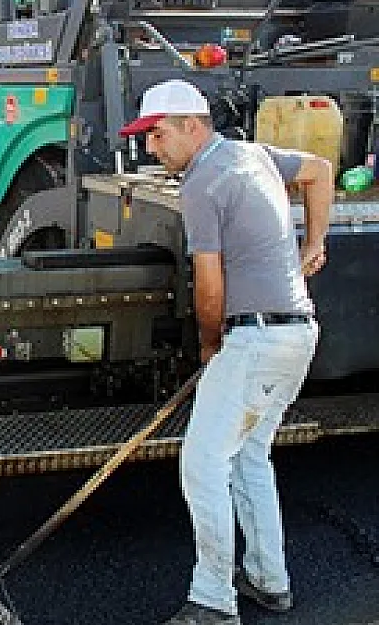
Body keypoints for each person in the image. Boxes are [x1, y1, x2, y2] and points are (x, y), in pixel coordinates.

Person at [118, 79, 331, 625]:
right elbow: (321, 171)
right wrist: (314, 243)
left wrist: (211, 345)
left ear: (193, 126)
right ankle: (268, 580)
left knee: (202, 463)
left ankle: (213, 601)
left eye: (158, 135)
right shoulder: (252, 155)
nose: (151, 149)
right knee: (248, 455)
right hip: (298, 333)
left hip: (255, 339)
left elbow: (207, 283)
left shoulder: (201, 182)